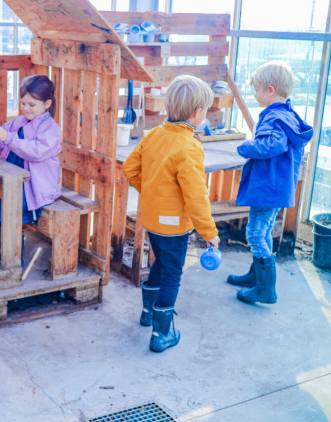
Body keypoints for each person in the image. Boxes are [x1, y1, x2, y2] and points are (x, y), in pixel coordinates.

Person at [123, 75, 220, 353]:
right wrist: (209, 233)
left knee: (161, 263)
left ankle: (147, 313)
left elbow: (130, 168)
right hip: (175, 225)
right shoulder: (189, 147)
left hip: (152, 219)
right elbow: (196, 197)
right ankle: (161, 334)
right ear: (196, 113)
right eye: (206, 112)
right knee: (172, 275)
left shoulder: (154, 134)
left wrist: (152, 192)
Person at [227, 61, 313, 305]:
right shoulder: (287, 114)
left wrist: (245, 147)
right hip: (277, 187)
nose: (254, 95)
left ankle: (265, 288)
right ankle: (256, 277)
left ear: (271, 90)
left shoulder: (274, 118)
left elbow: (273, 145)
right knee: (262, 231)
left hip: (269, 187)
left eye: (257, 90)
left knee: (254, 233)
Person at [0, 74, 61, 271]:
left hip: (33, 185)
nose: (26, 108)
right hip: (10, 180)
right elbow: (1, 143)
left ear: (47, 103)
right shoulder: (19, 122)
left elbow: (36, 152)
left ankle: (13, 258)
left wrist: (9, 138)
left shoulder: (50, 128)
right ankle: (2, 249)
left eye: (32, 104)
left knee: (10, 214)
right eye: (23, 103)